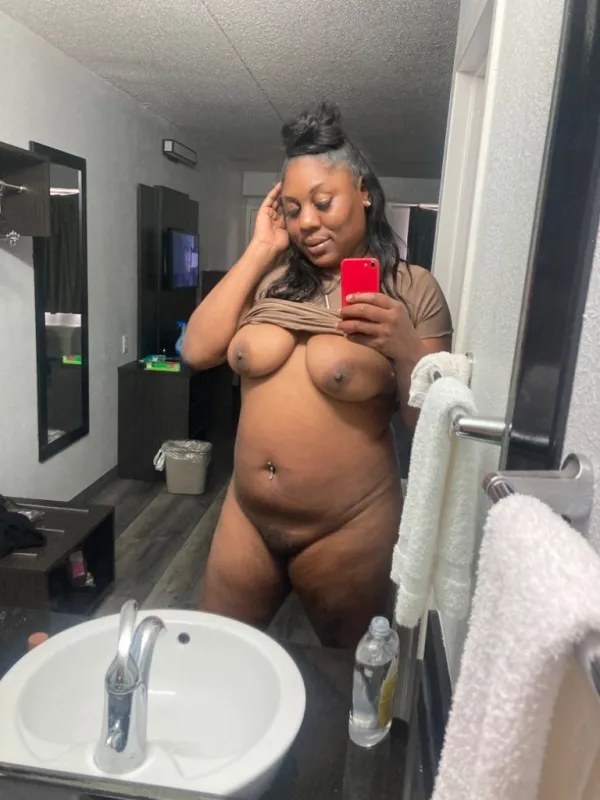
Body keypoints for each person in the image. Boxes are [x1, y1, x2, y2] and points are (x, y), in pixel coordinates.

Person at [182, 102, 452, 647]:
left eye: (323, 202)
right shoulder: (269, 278)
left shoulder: (412, 288)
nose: (307, 222)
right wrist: (261, 248)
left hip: (350, 525)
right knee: (215, 656)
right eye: (292, 208)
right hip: (246, 516)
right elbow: (196, 349)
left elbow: (428, 429)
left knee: (348, 674)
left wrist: (405, 349)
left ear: (363, 192)